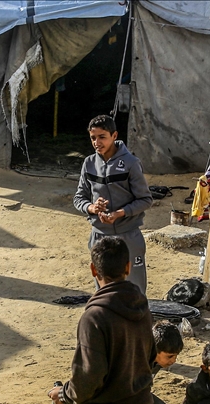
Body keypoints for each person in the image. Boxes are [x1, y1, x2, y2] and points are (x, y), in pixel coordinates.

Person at [48, 237, 156, 404]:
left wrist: (63, 394)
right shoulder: (143, 308)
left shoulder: (94, 317)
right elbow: (149, 358)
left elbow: (88, 378)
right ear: (128, 267)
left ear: (93, 270)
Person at [73, 114, 154, 294]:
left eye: (102, 137)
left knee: (134, 289)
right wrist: (92, 207)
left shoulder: (131, 163)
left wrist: (120, 213)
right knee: (104, 290)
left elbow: (145, 200)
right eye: (93, 138)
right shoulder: (89, 164)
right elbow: (79, 198)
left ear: (114, 135)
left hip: (128, 235)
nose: (97, 142)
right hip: (100, 236)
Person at [151, 322, 184, 404]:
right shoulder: (135, 362)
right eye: (170, 356)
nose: (174, 361)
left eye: (176, 356)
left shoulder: (157, 363)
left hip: (140, 394)